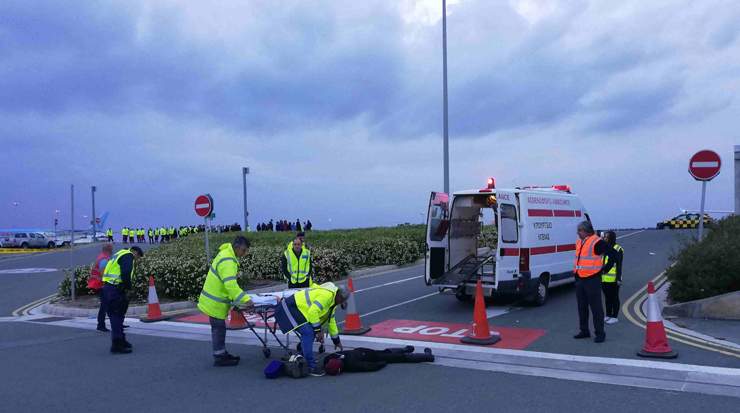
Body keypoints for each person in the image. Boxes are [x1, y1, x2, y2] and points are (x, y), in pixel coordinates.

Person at [197, 236, 254, 367]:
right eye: (244, 250)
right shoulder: (228, 260)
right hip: (214, 302)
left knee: (219, 328)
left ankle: (221, 353)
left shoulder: (225, 254)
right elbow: (230, 285)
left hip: (213, 300)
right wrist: (246, 300)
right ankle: (219, 356)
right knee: (218, 328)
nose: (244, 254)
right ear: (237, 247)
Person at [273, 282, 348, 376]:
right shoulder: (327, 296)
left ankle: (301, 357)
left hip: (299, 310)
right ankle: (311, 366)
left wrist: (336, 340)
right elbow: (313, 312)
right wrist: (318, 331)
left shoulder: (333, 301)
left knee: (310, 331)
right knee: (308, 333)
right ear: (339, 295)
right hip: (290, 308)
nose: (341, 303)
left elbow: (331, 320)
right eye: (342, 300)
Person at [573, 221, 615, 343]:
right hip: (580, 278)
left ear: (586, 231)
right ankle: (584, 330)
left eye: (580, 230)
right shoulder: (580, 241)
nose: (578, 233)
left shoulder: (597, 242)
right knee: (582, 307)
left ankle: (600, 333)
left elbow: (613, 254)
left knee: (596, 308)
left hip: (592, 279)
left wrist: (606, 268)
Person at [101, 246, 144, 353]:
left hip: (108, 288)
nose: (136, 260)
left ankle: (121, 339)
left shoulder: (119, 253)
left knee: (118, 316)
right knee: (116, 316)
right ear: (135, 252)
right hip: (115, 289)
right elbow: (125, 273)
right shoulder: (128, 255)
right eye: (137, 257)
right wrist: (129, 288)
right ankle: (117, 345)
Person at [323, 346, 434, 375]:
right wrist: (381, 363)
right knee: (396, 356)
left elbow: (367, 367)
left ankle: (405, 349)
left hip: (369, 355)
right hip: (370, 354)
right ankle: (427, 356)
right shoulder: (338, 356)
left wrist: (380, 364)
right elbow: (368, 366)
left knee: (388, 353)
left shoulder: (349, 365)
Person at [601, 231, 624, 325]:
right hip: (604, 278)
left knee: (614, 297)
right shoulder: (605, 248)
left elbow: (619, 265)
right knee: (607, 298)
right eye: (605, 237)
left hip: (614, 279)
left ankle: (615, 316)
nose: (605, 239)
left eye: (607, 237)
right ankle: (608, 315)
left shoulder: (618, 249)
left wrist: (618, 278)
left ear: (611, 238)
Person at [89, 243, 113, 332]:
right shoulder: (104, 259)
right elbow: (103, 273)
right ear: (108, 250)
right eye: (111, 250)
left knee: (109, 305)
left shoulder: (101, 256)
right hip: (101, 285)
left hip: (99, 284)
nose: (112, 251)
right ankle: (101, 325)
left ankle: (116, 323)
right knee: (105, 305)